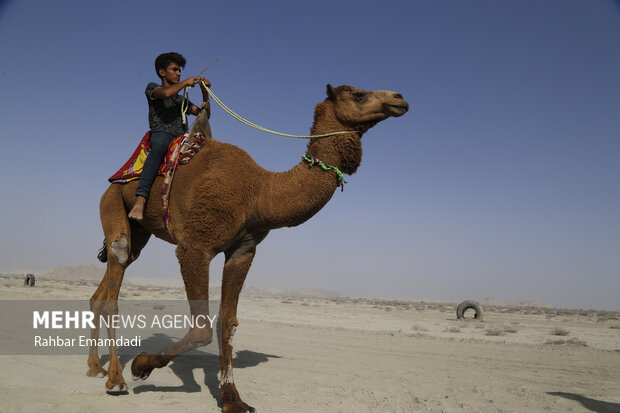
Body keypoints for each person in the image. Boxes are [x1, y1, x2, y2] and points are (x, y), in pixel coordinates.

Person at [128, 52, 211, 221]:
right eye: (174, 69)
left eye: (180, 70)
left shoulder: (181, 100)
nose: (179, 73)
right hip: (161, 134)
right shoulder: (152, 88)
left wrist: (205, 93)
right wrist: (184, 83)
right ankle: (141, 198)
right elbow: (166, 94)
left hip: (182, 138)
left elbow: (204, 115)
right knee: (160, 144)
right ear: (162, 72)